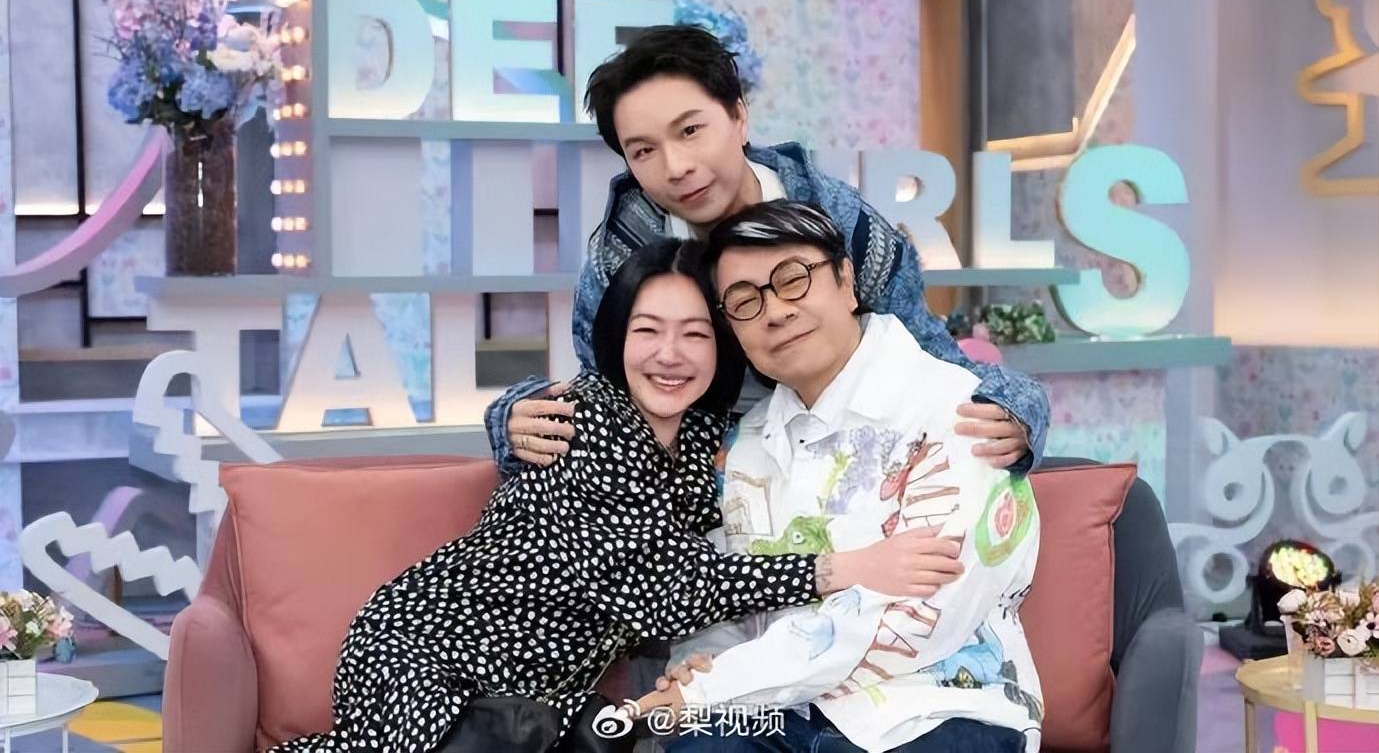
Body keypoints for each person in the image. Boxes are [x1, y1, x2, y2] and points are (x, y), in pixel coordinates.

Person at [269, 239, 967, 753]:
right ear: (616, 338)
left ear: (722, 346)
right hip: (425, 655)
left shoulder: (708, 439)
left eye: (695, 334)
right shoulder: (586, 418)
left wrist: (709, 659)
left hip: (529, 697)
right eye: (647, 331)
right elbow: (661, 590)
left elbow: (714, 569)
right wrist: (845, 567)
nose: (670, 354)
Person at [486, 25, 1050, 482]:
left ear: (738, 116)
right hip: (695, 488)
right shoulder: (622, 256)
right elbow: (604, 394)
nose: (676, 167)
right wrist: (513, 420)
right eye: (644, 151)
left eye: (690, 130)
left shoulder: (841, 223)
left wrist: (1018, 410)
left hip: (843, 463)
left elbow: (932, 359)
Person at [637, 201, 1042, 753]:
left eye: (792, 280)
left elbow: (917, 618)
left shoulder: (960, 410)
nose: (775, 312)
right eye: (745, 301)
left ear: (846, 281)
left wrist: (718, 685)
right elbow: (729, 594)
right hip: (778, 710)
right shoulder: (742, 447)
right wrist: (698, 666)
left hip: (937, 704)